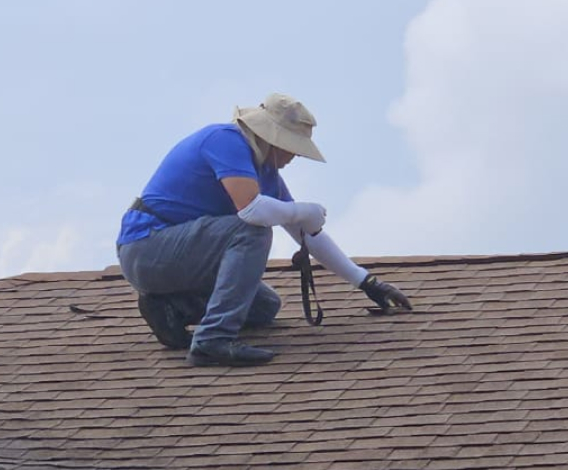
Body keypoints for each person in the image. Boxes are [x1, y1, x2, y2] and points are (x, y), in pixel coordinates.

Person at [116, 93, 412, 367]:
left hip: (177, 260)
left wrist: (367, 282)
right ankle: (212, 340)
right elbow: (252, 211)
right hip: (147, 249)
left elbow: (304, 232)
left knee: (264, 306)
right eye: (292, 148)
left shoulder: (265, 172)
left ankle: (171, 306)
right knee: (253, 231)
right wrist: (303, 210)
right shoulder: (225, 141)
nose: (294, 157)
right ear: (274, 139)